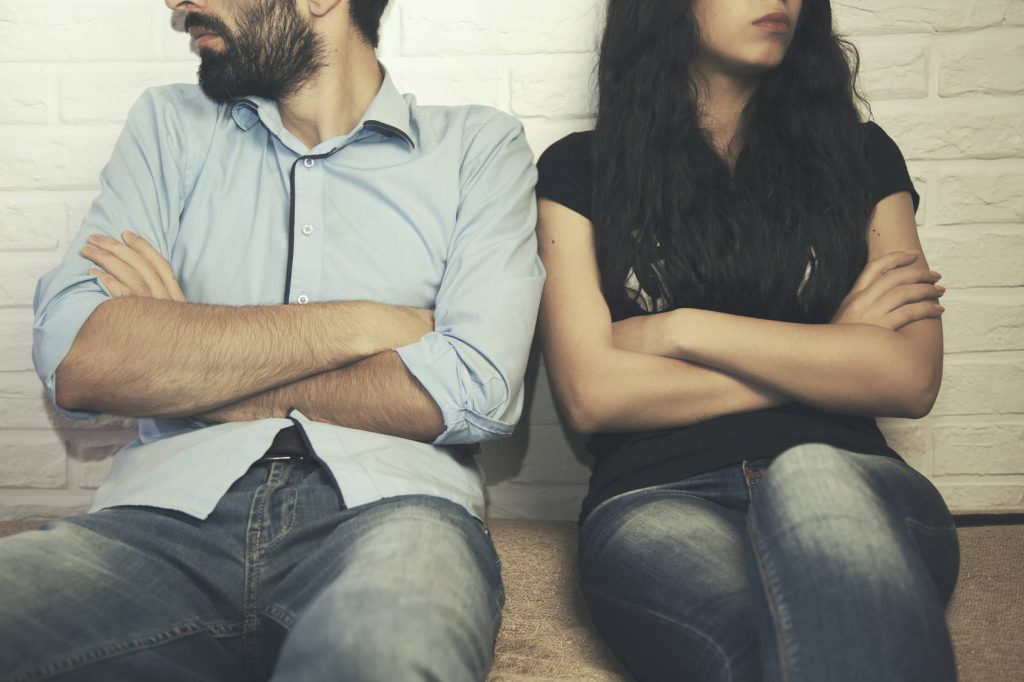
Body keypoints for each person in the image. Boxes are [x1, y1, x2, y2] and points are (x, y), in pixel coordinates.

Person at [0, 0, 543, 680]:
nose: (174, 1)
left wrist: (192, 362)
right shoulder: (169, 126)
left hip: (392, 514)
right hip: (156, 522)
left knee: (383, 660)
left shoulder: (476, 146)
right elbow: (79, 358)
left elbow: (475, 390)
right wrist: (365, 324)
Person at [535, 0, 959, 680]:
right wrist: (832, 348)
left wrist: (680, 330)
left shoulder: (863, 157)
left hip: (851, 479)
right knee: (770, 656)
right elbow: (594, 395)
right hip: (658, 498)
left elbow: (909, 377)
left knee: (808, 476)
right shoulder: (578, 169)